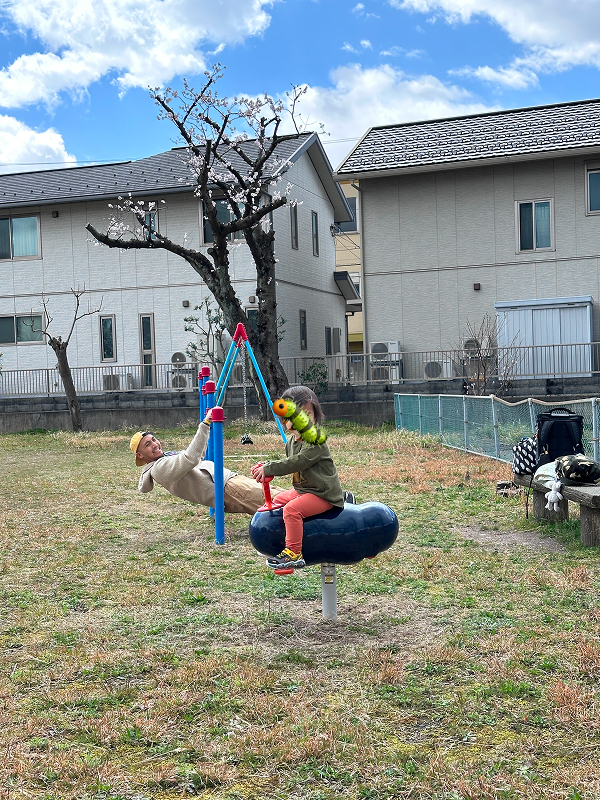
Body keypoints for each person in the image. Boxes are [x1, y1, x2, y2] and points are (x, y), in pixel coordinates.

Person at [251, 385, 344, 569]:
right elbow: (290, 461)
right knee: (279, 500)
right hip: (305, 489)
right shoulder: (292, 441)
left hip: (322, 493)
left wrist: (270, 468)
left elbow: (297, 462)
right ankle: (275, 540)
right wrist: (266, 465)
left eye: (307, 414)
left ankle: (294, 553)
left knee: (292, 510)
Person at [131, 409, 278, 514]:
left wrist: (206, 429)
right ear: (140, 455)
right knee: (277, 500)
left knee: (277, 494)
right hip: (224, 489)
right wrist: (205, 424)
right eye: (147, 444)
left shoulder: (164, 458)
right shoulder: (158, 469)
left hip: (226, 480)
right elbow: (190, 458)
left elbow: (197, 457)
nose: (154, 444)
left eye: (153, 439)